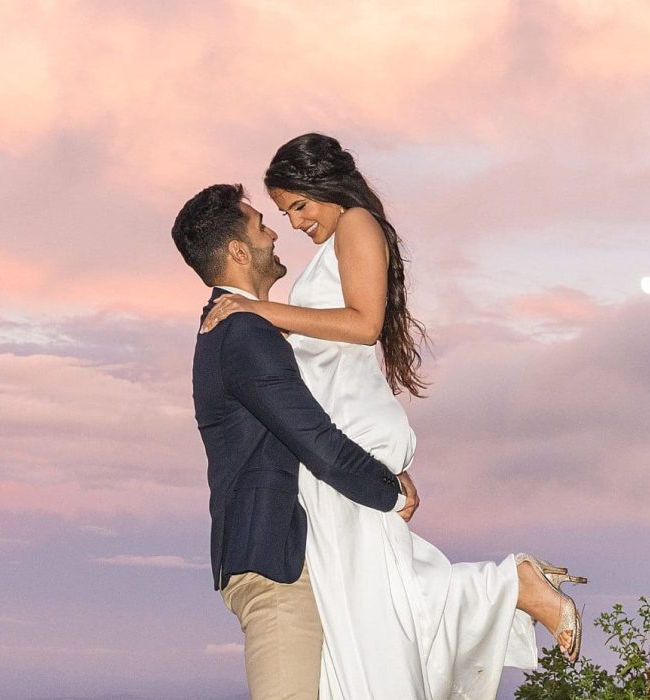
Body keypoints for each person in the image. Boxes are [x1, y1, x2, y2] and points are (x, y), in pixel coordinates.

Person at [199, 133, 585, 699]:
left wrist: (260, 311)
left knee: (370, 602)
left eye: (299, 205)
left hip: (343, 435)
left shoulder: (356, 222)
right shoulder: (333, 246)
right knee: (372, 601)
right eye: (282, 213)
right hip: (331, 444)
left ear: (324, 183)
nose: (294, 222)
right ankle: (508, 588)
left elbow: (364, 323)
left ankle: (511, 587)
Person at [171, 182, 420, 699]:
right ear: (239, 252)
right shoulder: (242, 334)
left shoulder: (242, 328)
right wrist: (391, 489)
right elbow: (316, 442)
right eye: (262, 226)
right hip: (276, 569)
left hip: (286, 557)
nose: (274, 234)